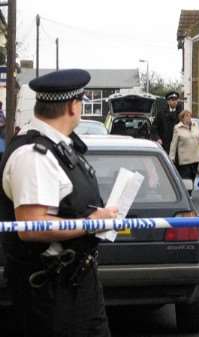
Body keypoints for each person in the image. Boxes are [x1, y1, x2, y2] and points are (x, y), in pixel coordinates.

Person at [0, 69, 118, 337]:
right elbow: (32, 226)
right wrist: (90, 224)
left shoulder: (59, 146)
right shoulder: (34, 155)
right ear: (72, 106)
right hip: (52, 291)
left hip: (76, 282)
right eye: (82, 101)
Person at [169, 110, 199, 195]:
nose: (188, 118)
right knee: (186, 177)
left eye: (190, 116)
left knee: (193, 175)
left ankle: (189, 191)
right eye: (186, 116)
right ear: (182, 118)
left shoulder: (195, 125)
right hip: (184, 158)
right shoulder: (177, 128)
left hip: (195, 156)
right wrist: (171, 157)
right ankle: (187, 193)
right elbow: (174, 143)